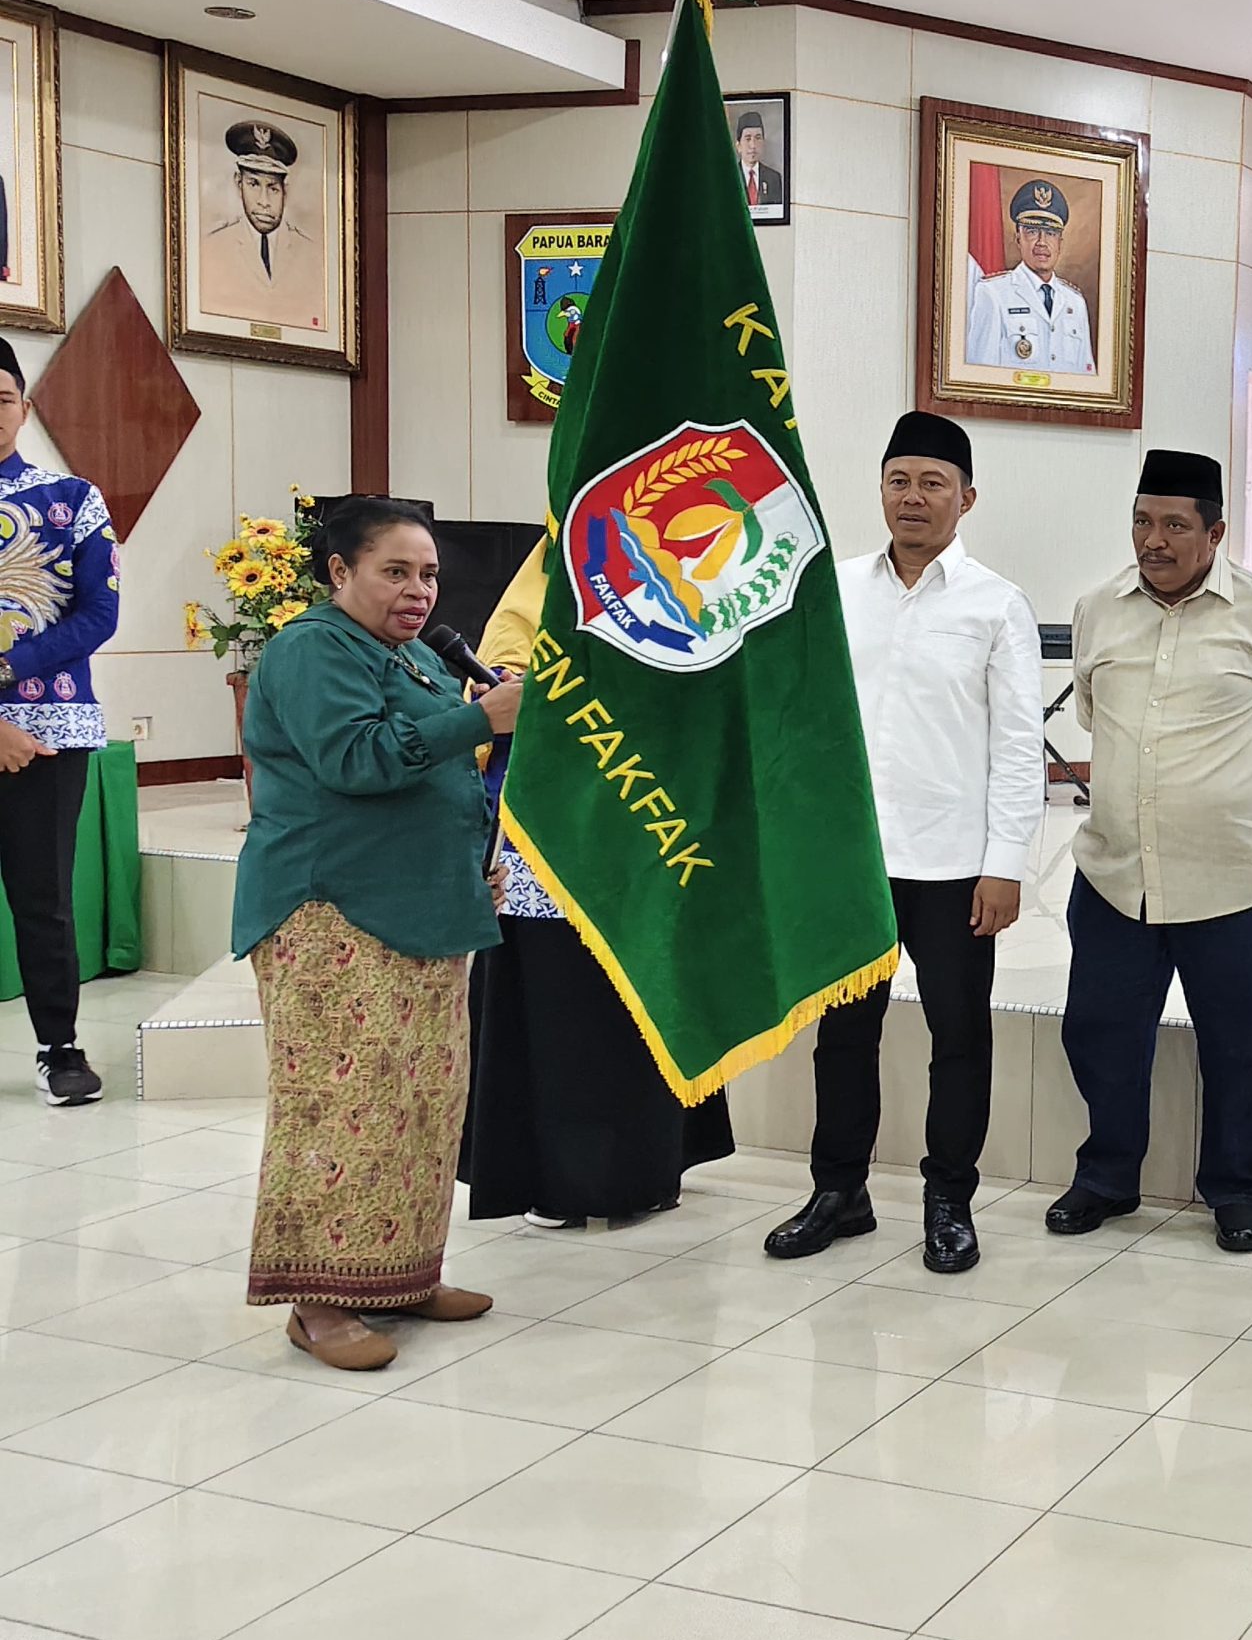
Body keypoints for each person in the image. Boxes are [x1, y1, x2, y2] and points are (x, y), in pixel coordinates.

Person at [234, 498, 520, 1371]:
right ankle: (317, 1304)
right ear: (339, 572)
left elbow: (438, 780)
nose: (418, 591)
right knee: (339, 1109)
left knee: (419, 1107)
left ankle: (399, 1276)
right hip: (331, 913)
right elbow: (354, 759)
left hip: (421, 911)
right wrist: (481, 719)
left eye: (428, 574)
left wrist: (472, 861)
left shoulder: (417, 659)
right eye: (395, 571)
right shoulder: (311, 649)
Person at [765, 411, 1044, 1273]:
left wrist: (1005, 866)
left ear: (967, 498)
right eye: (898, 481)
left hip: (955, 867)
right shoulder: (835, 589)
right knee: (844, 1036)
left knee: (959, 1039)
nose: (913, 498)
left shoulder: (996, 604)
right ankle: (838, 1192)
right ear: (880, 489)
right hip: (854, 862)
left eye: (932, 484)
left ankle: (948, 1200)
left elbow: (1017, 746)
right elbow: (801, 719)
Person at [1048, 449, 1252, 1253]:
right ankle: (1107, 1177)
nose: (1155, 541)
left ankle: (1238, 1191)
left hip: (1233, 878)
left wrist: (1244, 797)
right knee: (1100, 1034)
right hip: (1116, 874)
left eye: (1176, 526)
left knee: (1235, 1046)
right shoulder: (1098, 610)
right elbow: (1097, 717)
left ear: (1215, 533)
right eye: (1143, 522)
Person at [462, 539, 734, 1233]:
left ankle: (648, 1170)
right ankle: (555, 1178)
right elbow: (498, 693)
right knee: (554, 1004)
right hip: (551, 833)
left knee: (639, 1004)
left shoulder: (675, 580)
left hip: (647, 829)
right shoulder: (539, 584)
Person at [0, 335, 121, 1107]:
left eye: (2, 399)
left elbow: (98, 614)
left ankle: (60, 1048)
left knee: (42, 896)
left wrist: (7, 669)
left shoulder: (71, 499)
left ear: (26, 406)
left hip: (48, 732)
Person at [201, 120, 326, 331]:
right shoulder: (213, 247)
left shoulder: (312, 253)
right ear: (238, 183)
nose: (264, 201)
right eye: (253, 184)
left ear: (285, 190)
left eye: (273, 188)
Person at [964, 179, 1096, 374]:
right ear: (1018, 238)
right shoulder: (992, 294)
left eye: (1050, 233)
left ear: (1060, 242)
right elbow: (979, 373)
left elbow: (1086, 377)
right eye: (1032, 231)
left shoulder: (1075, 302)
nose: (1042, 242)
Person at [736, 108, 783, 210]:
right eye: (748, 139)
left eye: (758, 138)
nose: (753, 145)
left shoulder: (774, 178)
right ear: (738, 146)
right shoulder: (730, 177)